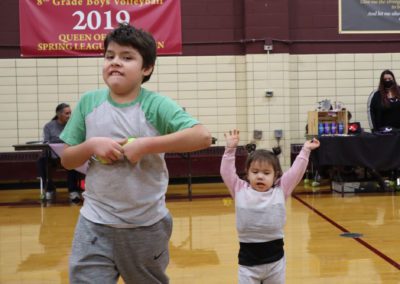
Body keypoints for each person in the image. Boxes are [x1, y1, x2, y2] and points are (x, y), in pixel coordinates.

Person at [59, 23, 211, 283]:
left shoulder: (155, 105)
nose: (115, 62)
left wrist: (145, 145)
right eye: (110, 56)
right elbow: (67, 159)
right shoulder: (88, 103)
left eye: (127, 57)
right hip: (94, 222)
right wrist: (91, 145)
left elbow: (202, 136)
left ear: (146, 68)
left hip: (146, 226)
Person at [220, 129, 320, 284]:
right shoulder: (239, 190)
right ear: (247, 173)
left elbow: (295, 172)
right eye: (255, 172)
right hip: (248, 265)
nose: (260, 176)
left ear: (276, 176)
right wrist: (230, 149)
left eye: (266, 173)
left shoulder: (280, 190)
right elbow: (226, 172)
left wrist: (305, 150)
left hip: (275, 263)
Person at [37, 103, 81, 203]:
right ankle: (49, 188)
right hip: (52, 155)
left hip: (67, 154)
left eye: (70, 113)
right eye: (67, 113)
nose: (69, 115)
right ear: (59, 114)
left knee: (73, 160)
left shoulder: (73, 125)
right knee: (41, 161)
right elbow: (46, 142)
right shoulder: (49, 126)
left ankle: (73, 190)